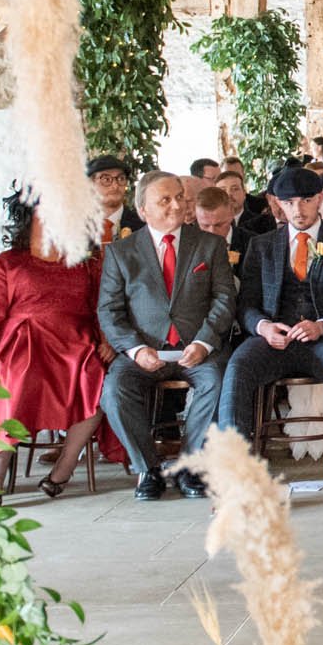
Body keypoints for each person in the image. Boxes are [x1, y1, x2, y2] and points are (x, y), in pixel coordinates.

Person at [217, 167, 323, 509]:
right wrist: (262, 326)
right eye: (289, 203)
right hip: (275, 338)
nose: (299, 210)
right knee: (238, 366)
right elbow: (246, 304)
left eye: (305, 200)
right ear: (278, 205)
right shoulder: (262, 246)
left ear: (319, 199)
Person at [98, 172, 238, 501]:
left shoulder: (209, 244)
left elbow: (224, 299)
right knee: (114, 392)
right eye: (165, 200)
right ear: (143, 209)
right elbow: (109, 311)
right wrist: (135, 349)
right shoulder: (121, 252)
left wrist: (203, 343)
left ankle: (189, 465)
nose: (176, 205)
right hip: (146, 350)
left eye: (179, 197)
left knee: (218, 380)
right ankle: (148, 469)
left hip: (197, 349)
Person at [0, 196, 111, 497]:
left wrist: (106, 340)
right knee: (17, 378)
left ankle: (65, 463)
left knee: (97, 379)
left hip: (77, 342)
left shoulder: (87, 261)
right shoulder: (7, 262)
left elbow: (104, 306)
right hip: (24, 342)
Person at [89, 154, 144, 244]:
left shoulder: (142, 226)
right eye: (106, 179)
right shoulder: (76, 226)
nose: (115, 186)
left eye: (121, 179)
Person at [195, 185, 248, 269]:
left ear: (231, 213)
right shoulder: (188, 246)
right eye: (205, 225)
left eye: (218, 225)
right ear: (197, 218)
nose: (212, 231)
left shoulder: (251, 243)